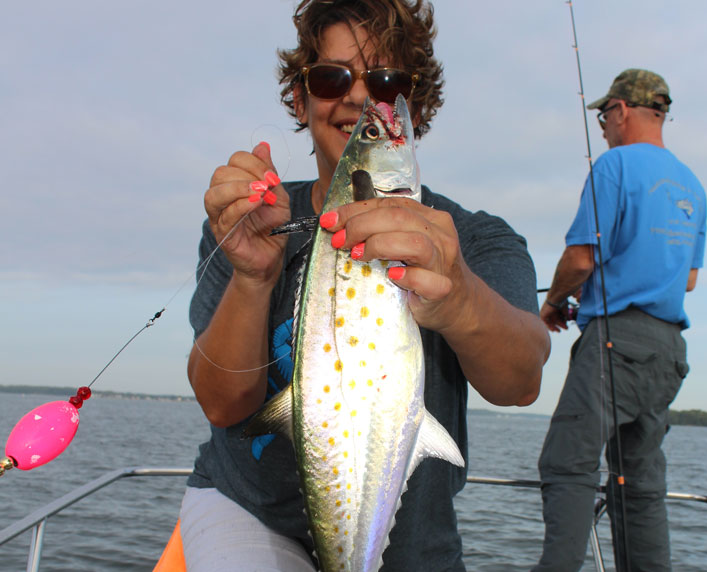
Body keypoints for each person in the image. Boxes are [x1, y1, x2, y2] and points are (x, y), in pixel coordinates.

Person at [180, 1, 551, 571]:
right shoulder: (249, 223)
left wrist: (458, 297)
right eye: (332, 78)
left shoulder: (477, 240)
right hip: (247, 513)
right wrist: (253, 277)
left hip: (413, 544)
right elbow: (223, 404)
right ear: (300, 99)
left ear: (414, 106)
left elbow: (521, 383)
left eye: (385, 82)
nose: (357, 97)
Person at [533, 69, 707, 572]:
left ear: (622, 110)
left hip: (617, 345)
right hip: (668, 352)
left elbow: (581, 258)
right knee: (640, 482)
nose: (605, 127)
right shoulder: (693, 186)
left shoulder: (614, 166)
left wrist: (554, 301)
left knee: (567, 462)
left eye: (606, 115)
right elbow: (688, 279)